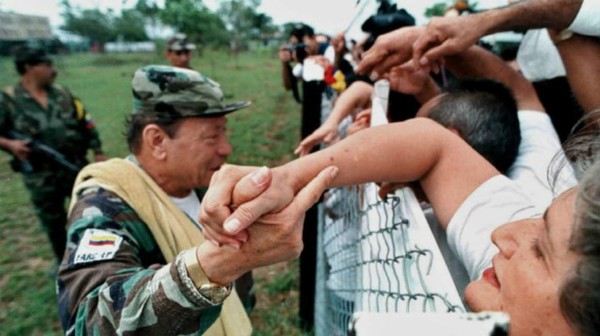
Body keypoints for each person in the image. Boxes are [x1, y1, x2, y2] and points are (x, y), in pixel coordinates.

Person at [199, 114, 600, 335]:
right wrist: (289, 179)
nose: (502, 234)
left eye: (540, 250)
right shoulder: (512, 269)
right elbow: (434, 144)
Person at [56, 65, 336, 335]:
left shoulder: (206, 186)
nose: (226, 148)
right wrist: (217, 266)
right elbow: (89, 322)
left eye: (224, 132)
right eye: (212, 136)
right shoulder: (103, 207)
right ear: (157, 141)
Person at [0, 46, 105, 263]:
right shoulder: (8, 100)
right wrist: (11, 145)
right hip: (40, 176)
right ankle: (63, 263)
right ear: (29, 67)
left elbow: (85, 121)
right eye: (47, 65)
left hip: (73, 165)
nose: (53, 69)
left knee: (88, 210)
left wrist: (98, 151)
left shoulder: (63, 93)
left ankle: (93, 257)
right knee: (53, 221)